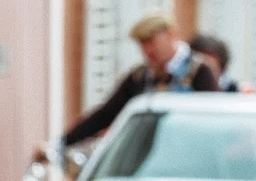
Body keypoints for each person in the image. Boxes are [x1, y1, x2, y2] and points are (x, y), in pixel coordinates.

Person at [35, 14, 220, 163]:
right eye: (142, 44)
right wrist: (61, 144)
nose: (148, 50)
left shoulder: (199, 71)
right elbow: (106, 114)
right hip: (148, 160)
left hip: (188, 159)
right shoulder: (139, 76)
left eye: (151, 42)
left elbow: (211, 120)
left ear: (170, 35)